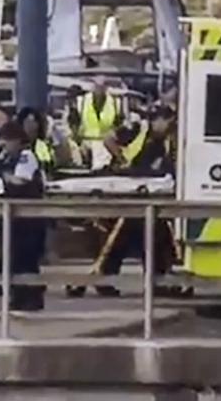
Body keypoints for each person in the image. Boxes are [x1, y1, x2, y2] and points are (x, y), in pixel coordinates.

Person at [95, 105, 178, 297]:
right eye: (167, 122)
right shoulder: (137, 129)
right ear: (157, 119)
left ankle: (156, 282)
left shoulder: (165, 141)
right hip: (129, 189)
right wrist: (122, 159)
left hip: (150, 193)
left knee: (156, 238)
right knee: (122, 238)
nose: (169, 127)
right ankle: (106, 278)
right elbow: (109, 138)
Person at [0, 121, 46, 311]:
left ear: (16, 140)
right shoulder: (5, 158)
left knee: (27, 258)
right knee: (13, 256)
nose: (3, 147)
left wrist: (3, 174)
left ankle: (32, 297)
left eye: (6, 142)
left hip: (29, 217)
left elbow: (20, 181)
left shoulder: (26, 156)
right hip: (11, 215)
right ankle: (17, 295)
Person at [74, 77, 122, 169]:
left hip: (107, 145)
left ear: (106, 88)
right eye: (97, 86)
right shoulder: (82, 101)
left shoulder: (115, 103)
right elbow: (74, 125)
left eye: (102, 86)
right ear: (93, 87)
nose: (99, 89)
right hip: (86, 143)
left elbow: (119, 125)